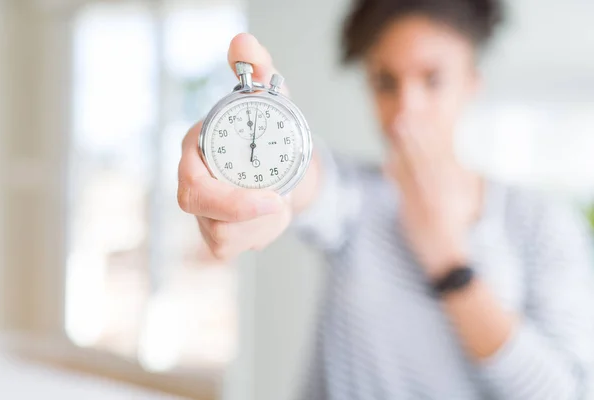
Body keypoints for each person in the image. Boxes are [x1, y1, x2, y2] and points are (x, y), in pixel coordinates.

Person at [177, 0, 594, 398]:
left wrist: (449, 261)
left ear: (471, 84)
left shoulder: (543, 223)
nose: (405, 108)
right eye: (385, 82)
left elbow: (564, 391)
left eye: (432, 79)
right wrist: (253, 165)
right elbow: (308, 179)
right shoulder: (356, 197)